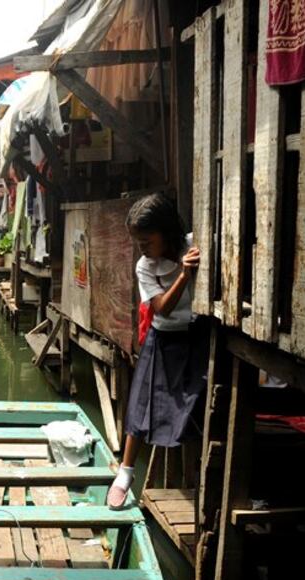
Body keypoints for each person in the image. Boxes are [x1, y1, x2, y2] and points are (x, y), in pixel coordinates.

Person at [107, 193, 204, 510]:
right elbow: (161, 308)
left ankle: (202, 483)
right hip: (162, 339)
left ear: (166, 232)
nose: (142, 249)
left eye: (147, 241)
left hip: (195, 336)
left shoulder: (192, 244)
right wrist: (184, 274)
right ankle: (125, 473)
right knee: (139, 407)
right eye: (138, 242)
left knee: (196, 407)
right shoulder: (143, 267)